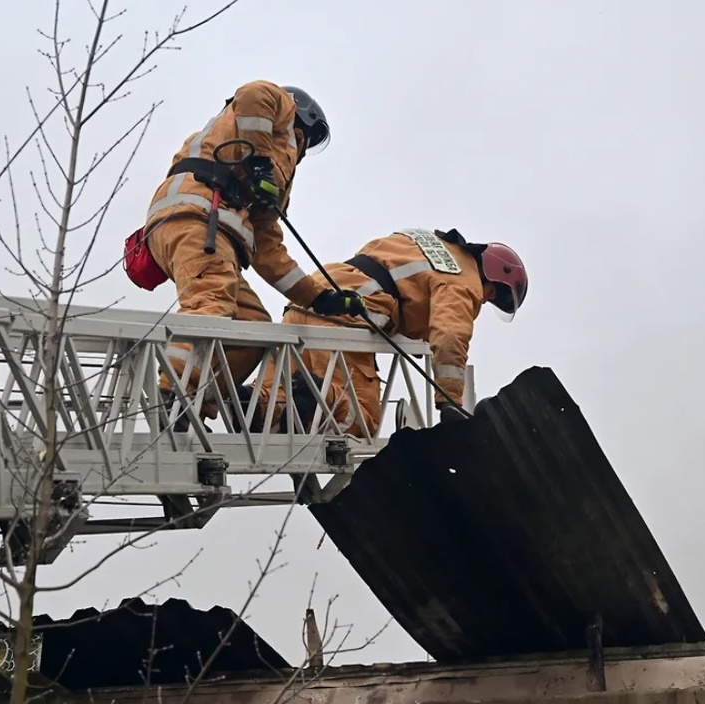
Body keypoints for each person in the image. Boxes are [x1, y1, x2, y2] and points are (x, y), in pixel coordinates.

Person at [139, 80, 359, 425]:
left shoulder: (276, 179)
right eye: (306, 140)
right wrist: (257, 161)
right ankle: (168, 399)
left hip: (210, 232)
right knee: (211, 302)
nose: (301, 149)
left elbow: (268, 250)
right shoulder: (278, 110)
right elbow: (255, 94)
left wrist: (318, 298)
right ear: (304, 124)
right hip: (197, 216)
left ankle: (195, 403)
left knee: (253, 328)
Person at [241, 227, 529, 437]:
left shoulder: (426, 243)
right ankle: (313, 394)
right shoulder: (462, 280)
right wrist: (449, 402)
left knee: (268, 399)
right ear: (492, 275)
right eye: (492, 293)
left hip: (309, 299)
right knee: (360, 422)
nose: (484, 298)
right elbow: (451, 334)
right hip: (346, 315)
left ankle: (244, 403)